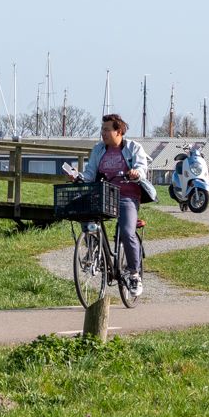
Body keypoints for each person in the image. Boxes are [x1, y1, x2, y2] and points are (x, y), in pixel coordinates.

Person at [71, 113, 155, 299]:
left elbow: (142, 167)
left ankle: (134, 274)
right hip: (105, 194)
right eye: (102, 129)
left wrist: (136, 173)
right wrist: (78, 177)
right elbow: (91, 173)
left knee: (126, 232)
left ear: (119, 131)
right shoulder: (99, 149)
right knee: (84, 212)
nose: (103, 133)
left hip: (127, 195)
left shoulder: (133, 147)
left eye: (107, 130)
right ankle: (93, 248)